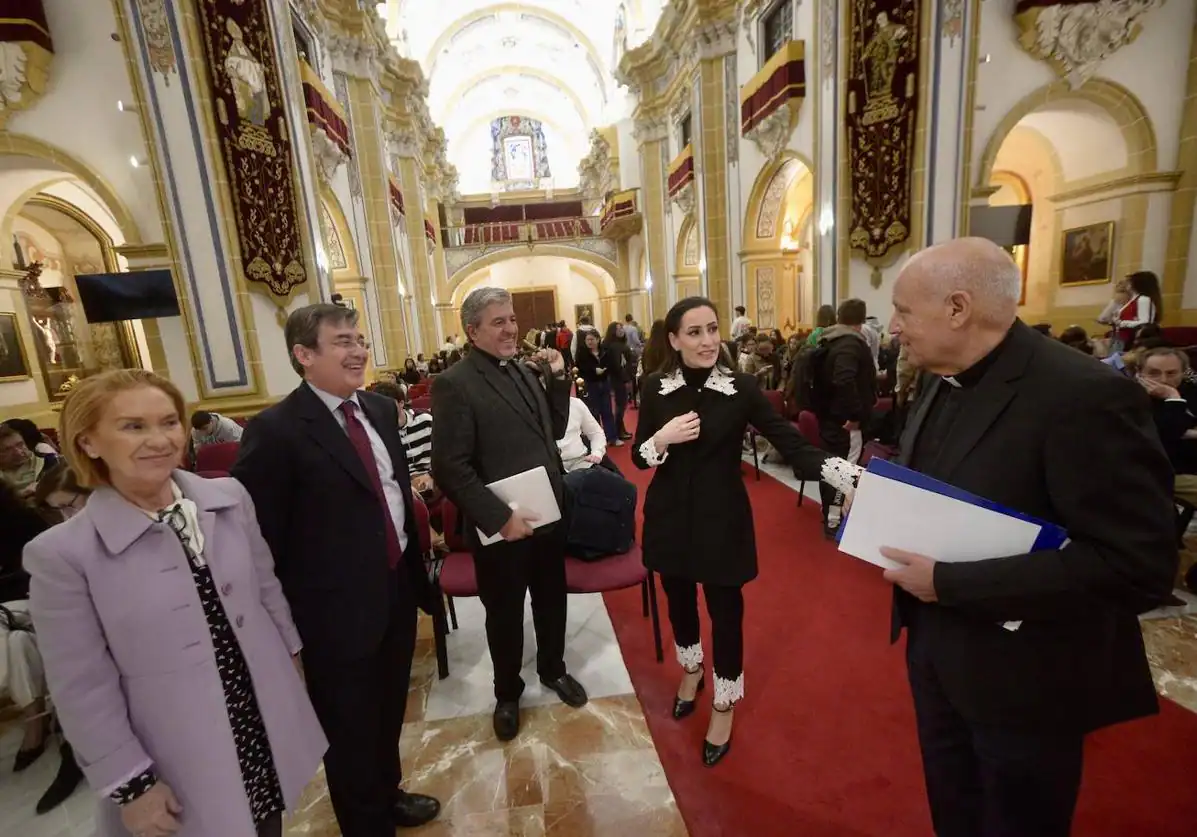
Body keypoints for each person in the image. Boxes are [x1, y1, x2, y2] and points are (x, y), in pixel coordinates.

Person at [885, 238, 1175, 837]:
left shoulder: (1083, 396)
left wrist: (949, 583)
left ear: (958, 309)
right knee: (954, 810)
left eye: (904, 311)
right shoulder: (939, 376)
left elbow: (1136, 565)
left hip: (1028, 680)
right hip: (938, 652)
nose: (893, 327)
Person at [24, 369, 328, 837]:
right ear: (88, 442)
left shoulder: (227, 497)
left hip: (258, 716)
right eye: (133, 426)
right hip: (174, 748)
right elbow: (80, 687)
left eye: (169, 422)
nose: (159, 439)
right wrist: (131, 784)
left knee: (267, 824)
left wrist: (291, 667)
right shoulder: (62, 554)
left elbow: (265, 589)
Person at [232, 305, 441, 835]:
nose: (359, 352)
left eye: (361, 340)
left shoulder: (375, 407)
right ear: (304, 355)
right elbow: (260, 537)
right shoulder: (275, 430)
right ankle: (365, 823)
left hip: (394, 589)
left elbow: (389, 490)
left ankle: (386, 791)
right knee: (348, 728)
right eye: (343, 342)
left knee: (389, 708)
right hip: (331, 612)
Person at [632, 297, 859, 768]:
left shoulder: (741, 387)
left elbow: (791, 443)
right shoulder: (654, 388)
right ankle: (692, 671)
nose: (708, 340)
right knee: (679, 603)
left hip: (722, 521)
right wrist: (662, 438)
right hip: (670, 518)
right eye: (694, 332)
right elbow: (638, 457)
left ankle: (724, 702)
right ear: (673, 340)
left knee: (726, 613)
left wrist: (849, 478)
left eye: (712, 329)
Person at [431, 287, 588, 741]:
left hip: (546, 511)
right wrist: (500, 518)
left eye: (512, 319)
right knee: (503, 611)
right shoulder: (455, 382)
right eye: (498, 322)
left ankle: (554, 669)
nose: (511, 328)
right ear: (472, 330)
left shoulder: (522, 370)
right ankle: (506, 692)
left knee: (551, 595)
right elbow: (449, 466)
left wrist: (558, 382)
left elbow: (554, 431)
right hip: (500, 523)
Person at [811, 298, 877, 538]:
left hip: (829, 417)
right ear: (861, 321)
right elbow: (844, 378)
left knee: (831, 466)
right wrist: (856, 414)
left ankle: (829, 513)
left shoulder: (829, 339)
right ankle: (834, 521)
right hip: (846, 423)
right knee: (845, 469)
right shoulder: (850, 344)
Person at [1135, 346, 1197, 506]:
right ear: (1139, 373)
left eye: (1171, 373)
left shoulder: (1190, 390)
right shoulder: (1131, 398)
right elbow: (1169, 433)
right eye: (1154, 373)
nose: (1163, 380)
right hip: (1161, 472)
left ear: (1183, 373)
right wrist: (1172, 397)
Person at [576, 329, 620, 445]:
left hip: (604, 382)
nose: (589, 342)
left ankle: (612, 438)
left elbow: (612, 364)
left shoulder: (605, 351)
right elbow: (581, 368)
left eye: (592, 339)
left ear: (598, 340)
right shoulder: (582, 353)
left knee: (607, 411)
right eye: (587, 340)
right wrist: (593, 370)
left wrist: (604, 370)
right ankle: (597, 439)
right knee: (593, 412)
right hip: (591, 384)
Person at [0, 422, 59, 498]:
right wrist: (21, 494)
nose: (18, 452)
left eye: (20, 444)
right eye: (7, 449)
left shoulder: (48, 462)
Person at [1112, 270, 1163, 349]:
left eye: (1130, 281)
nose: (1127, 284)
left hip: (1132, 338)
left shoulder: (1143, 299)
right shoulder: (1132, 300)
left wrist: (1122, 323)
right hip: (1123, 336)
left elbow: (1145, 322)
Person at [558, 396, 607, 473]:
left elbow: (596, 432)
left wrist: (597, 452)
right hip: (551, 468)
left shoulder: (576, 403)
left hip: (580, 461)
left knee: (615, 482)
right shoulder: (536, 409)